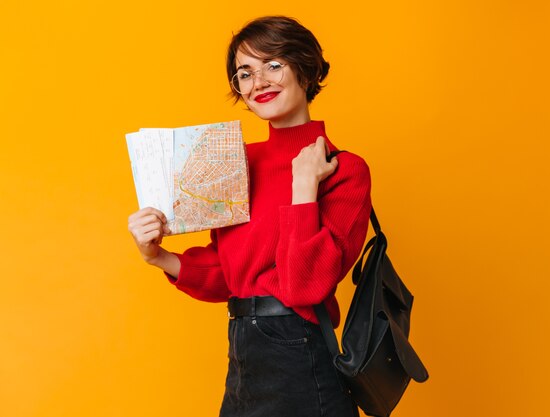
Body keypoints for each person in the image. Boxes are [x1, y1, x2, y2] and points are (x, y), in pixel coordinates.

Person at [128, 16, 372, 417]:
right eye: (245, 73)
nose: (258, 82)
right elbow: (230, 272)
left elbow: (303, 287)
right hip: (243, 351)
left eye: (273, 64)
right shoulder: (235, 162)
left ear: (306, 70)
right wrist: (156, 256)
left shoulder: (344, 170)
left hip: (301, 353)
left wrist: (303, 188)